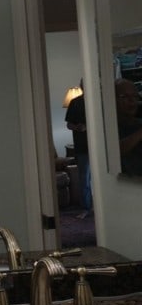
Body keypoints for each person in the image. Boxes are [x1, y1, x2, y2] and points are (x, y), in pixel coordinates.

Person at [65, 80, 93, 218]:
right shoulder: (75, 102)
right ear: (82, 86)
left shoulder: (99, 101)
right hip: (83, 146)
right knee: (85, 179)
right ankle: (86, 208)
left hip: (100, 147)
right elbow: (69, 124)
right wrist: (78, 127)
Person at [115, 78, 142, 176]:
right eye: (124, 96)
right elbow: (114, 152)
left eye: (135, 96)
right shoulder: (108, 128)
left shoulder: (139, 124)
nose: (132, 101)